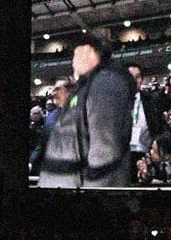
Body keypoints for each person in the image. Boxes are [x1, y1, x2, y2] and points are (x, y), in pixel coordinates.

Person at [37, 32, 135, 189]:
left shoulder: (105, 83)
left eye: (75, 55)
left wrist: (91, 200)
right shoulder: (89, 86)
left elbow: (105, 153)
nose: (73, 63)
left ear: (88, 50)